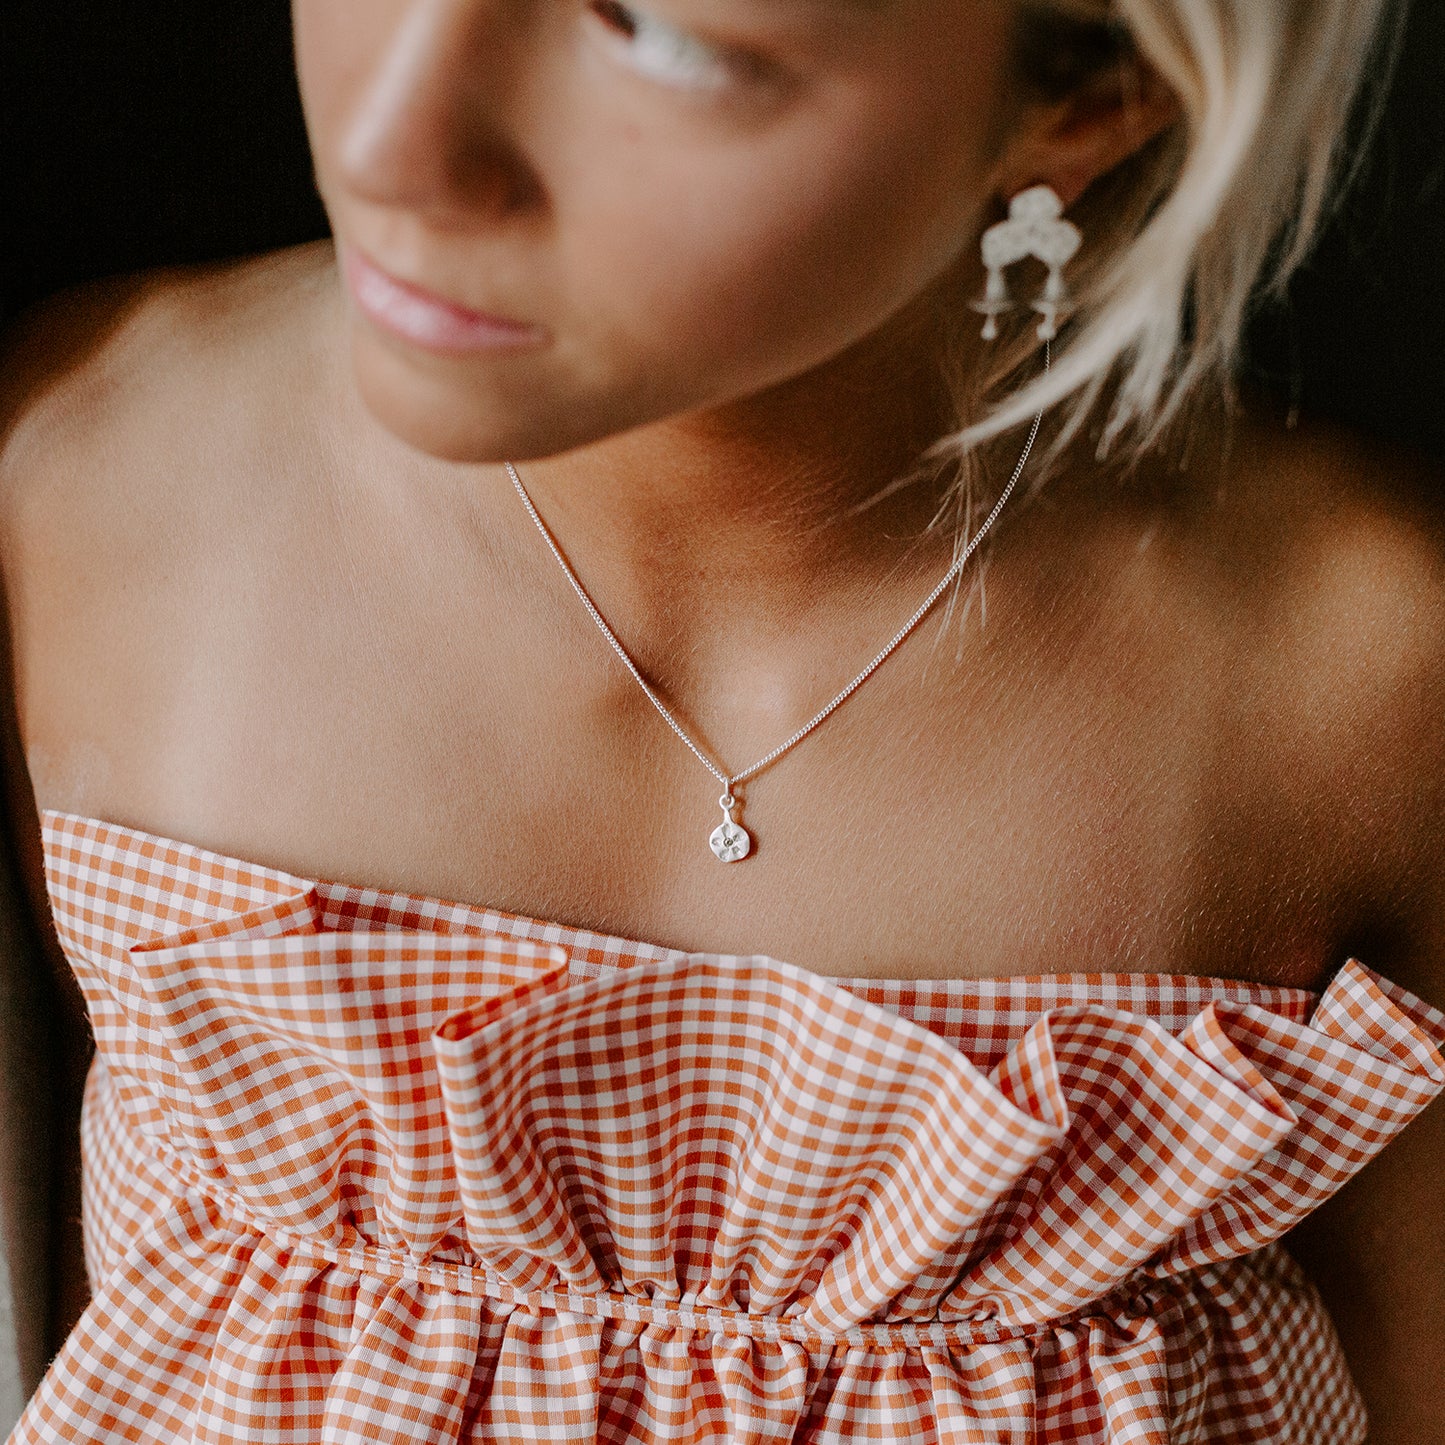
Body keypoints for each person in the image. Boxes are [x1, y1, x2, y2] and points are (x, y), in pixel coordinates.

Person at [0, 0, 1442, 1440]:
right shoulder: (75, 481)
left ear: (1087, 98)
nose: (393, 149)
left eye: (663, 37)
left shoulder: (1359, 679)